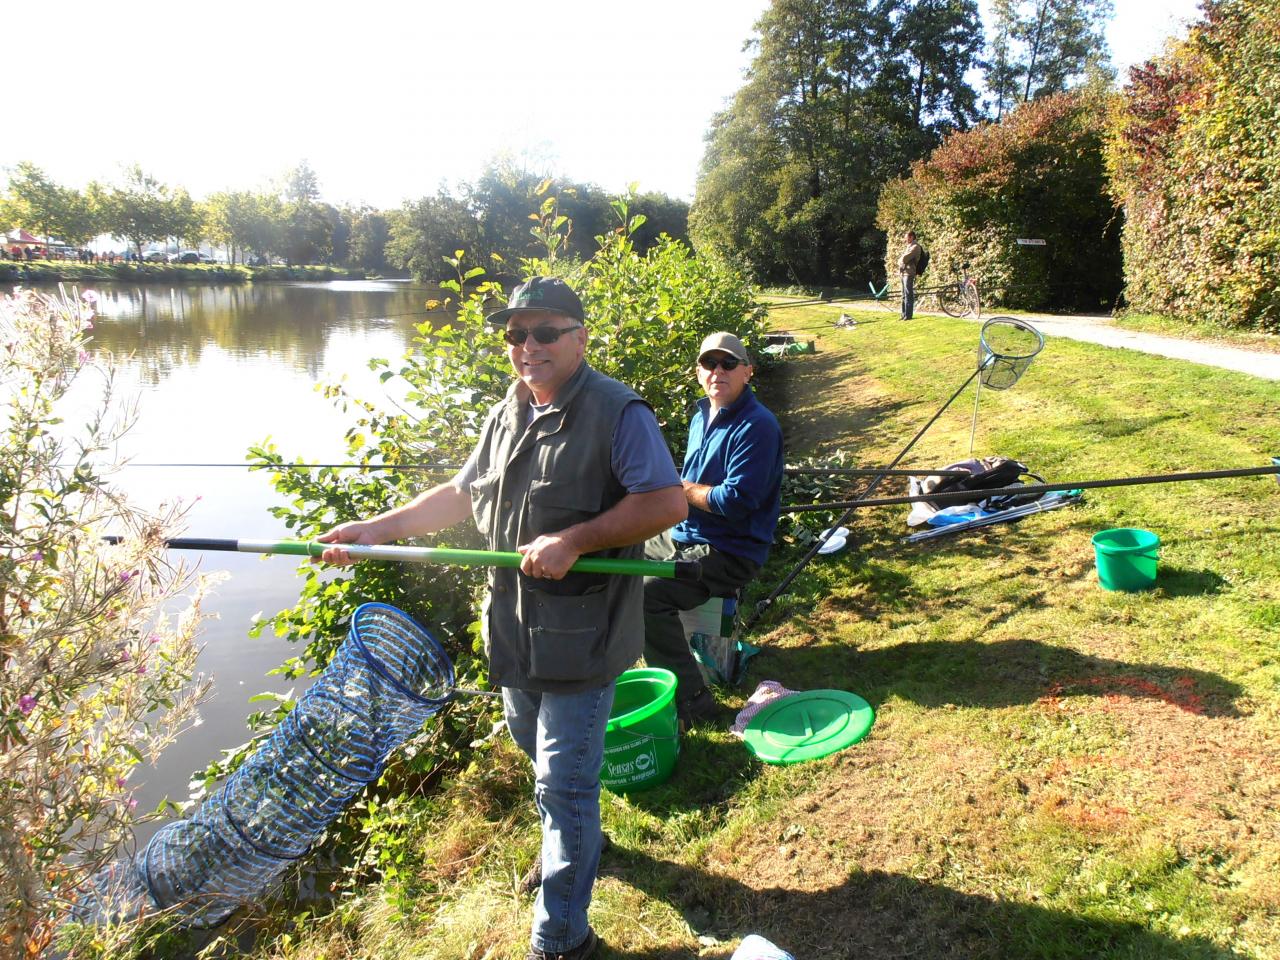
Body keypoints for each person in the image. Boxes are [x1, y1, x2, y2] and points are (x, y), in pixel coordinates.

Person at [319, 276, 685, 960]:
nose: (527, 346)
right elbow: (460, 494)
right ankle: (582, 843)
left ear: (579, 337)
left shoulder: (617, 412)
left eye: (545, 332)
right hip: (512, 636)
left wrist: (574, 540)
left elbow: (666, 503)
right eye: (516, 334)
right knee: (534, 754)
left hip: (584, 641)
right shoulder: (506, 412)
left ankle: (561, 939)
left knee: (562, 781)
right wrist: (377, 527)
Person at [642, 332, 784, 727]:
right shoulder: (700, 416)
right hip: (687, 534)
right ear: (698, 372)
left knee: (645, 595)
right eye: (709, 363)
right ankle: (625, 671)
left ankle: (693, 704)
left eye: (728, 363)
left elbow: (735, 502)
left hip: (729, 551)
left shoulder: (758, 426)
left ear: (747, 372)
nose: (717, 371)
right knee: (615, 553)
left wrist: (681, 488)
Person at [898, 229, 922, 320]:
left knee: (908, 294)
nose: (905, 239)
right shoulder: (909, 246)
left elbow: (904, 258)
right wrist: (900, 260)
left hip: (909, 273)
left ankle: (908, 315)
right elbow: (901, 259)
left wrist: (901, 260)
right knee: (903, 294)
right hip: (904, 272)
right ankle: (903, 314)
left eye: (906, 237)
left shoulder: (915, 247)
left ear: (911, 237)